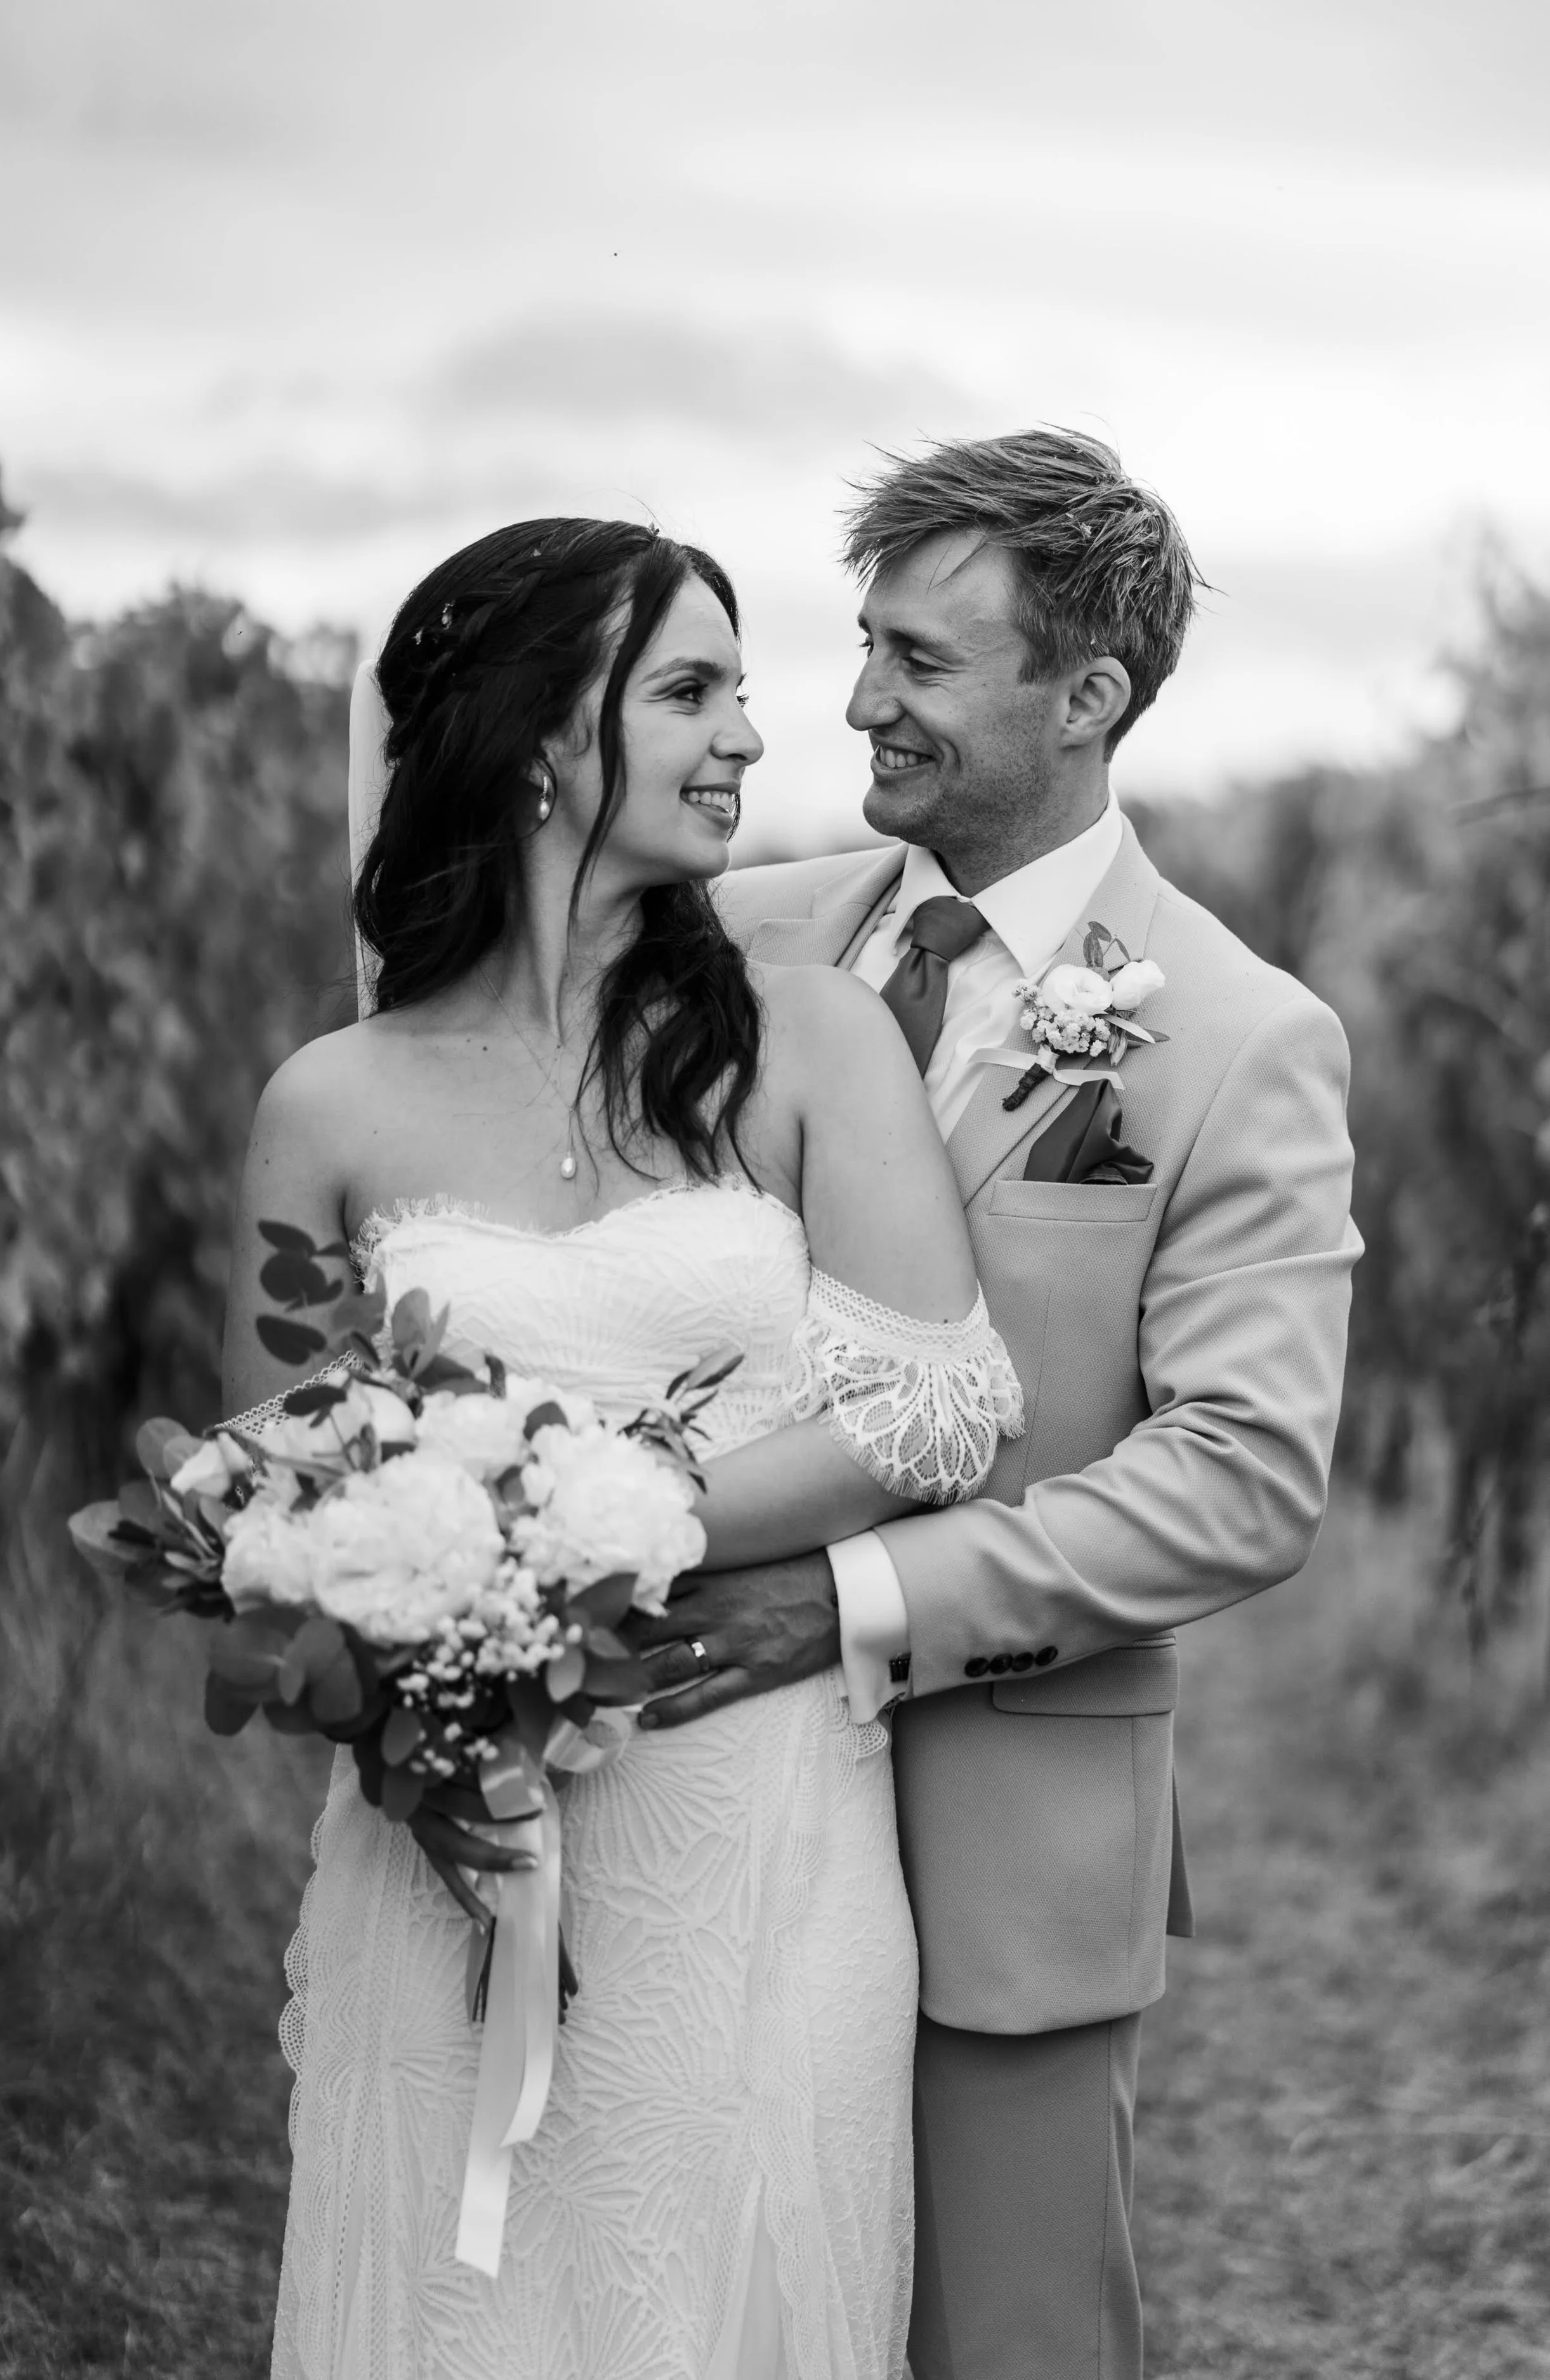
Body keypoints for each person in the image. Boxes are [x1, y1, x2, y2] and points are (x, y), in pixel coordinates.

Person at [223, 517, 1023, 2380]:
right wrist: (435, 1729)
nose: (750, 732)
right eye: (689, 690)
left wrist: (600, 1524)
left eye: (740, 687)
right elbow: (264, 1516)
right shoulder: (329, 1102)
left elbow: (938, 1406)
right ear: (531, 742)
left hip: (757, 1833)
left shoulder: (810, 1039)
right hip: (449, 1848)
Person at [643, 429, 1362, 2380]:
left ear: (1088, 693)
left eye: (920, 661)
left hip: (1004, 1827)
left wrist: (850, 1600)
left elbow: (1237, 1477)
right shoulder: (731, 934)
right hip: (677, 1792)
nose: (858, 699)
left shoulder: (1236, 1038)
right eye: (859, 641)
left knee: (1008, 2347)